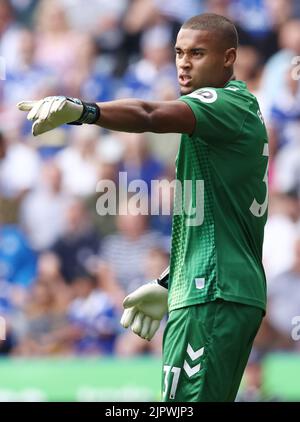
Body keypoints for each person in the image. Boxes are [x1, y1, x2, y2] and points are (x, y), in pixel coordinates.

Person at [17, 13, 268, 402]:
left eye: (198, 53)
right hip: (211, 287)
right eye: (179, 52)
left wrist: (85, 111)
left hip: (211, 291)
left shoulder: (220, 103)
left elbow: (151, 114)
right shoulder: (223, 122)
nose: (184, 62)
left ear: (228, 58)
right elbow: (216, 222)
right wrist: (171, 280)